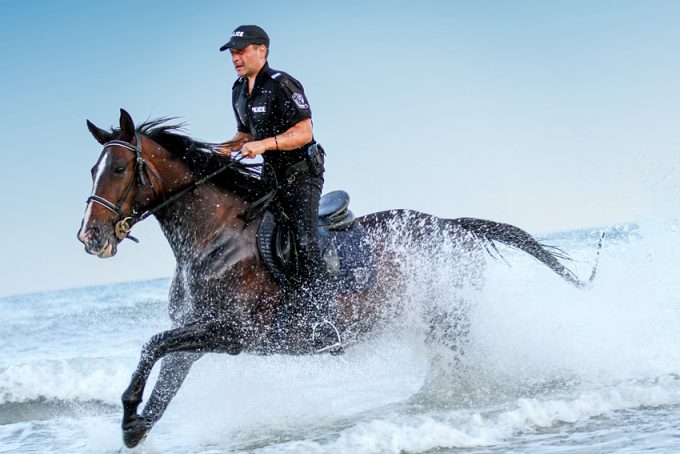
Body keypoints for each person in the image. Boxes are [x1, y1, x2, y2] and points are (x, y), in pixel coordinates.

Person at [216, 25, 342, 354]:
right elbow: (245, 134)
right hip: (271, 176)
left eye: (241, 50)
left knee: (303, 238)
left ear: (262, 50)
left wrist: (264, 145)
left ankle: (327, 321)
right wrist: (227, 147)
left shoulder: (282, 84)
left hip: (302, 172)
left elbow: (303, 132)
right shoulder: (239, 90)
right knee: (250, 231)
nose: (235, 57)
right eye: (232, 52)